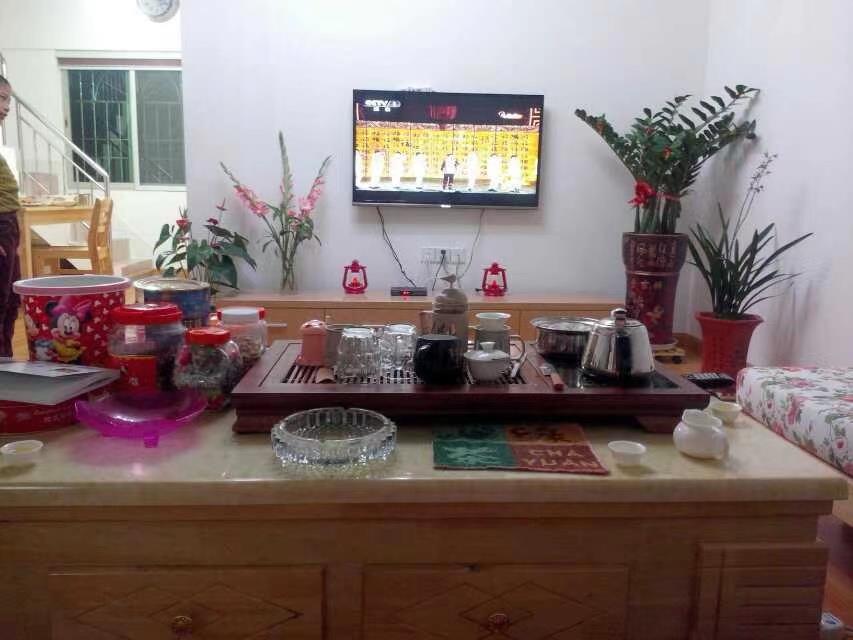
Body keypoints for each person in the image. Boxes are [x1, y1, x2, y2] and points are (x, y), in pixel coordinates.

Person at [0, 74, 21, 357]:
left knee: (12, 299)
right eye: (2, 99)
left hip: (8, 226)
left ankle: (6, 359)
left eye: (8, 101)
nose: (6, 107)